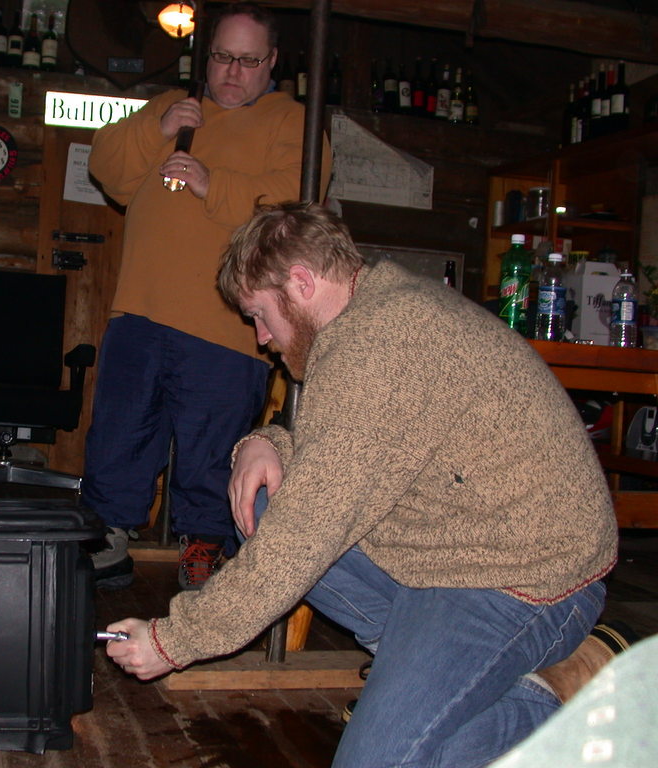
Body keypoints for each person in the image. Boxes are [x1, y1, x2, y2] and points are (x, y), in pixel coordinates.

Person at [105, 201, 620, 768]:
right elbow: (346, 443)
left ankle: (560, 697)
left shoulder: (383, 343)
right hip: (450, 547)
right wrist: (265, 443)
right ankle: (419, 669)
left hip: (525, 577)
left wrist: (173, 640)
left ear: (301, 282)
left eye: (259, 314)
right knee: (264, 494)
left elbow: (306, 534)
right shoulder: (370, 313)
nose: (260, 338)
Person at [85, 3, 331, 590]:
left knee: (212, 449)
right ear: (207, 55)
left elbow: (293, 206)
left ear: (272, 62)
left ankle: (204, 550)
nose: (233, 71)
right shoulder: (173, 108)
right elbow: (107, 168)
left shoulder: (293, 121)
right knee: (120, 435)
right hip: (140, 310)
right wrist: (160, 127)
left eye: (249, 60)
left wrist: (209, 184)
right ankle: (108, 538)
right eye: (223, 56)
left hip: (226, 326)